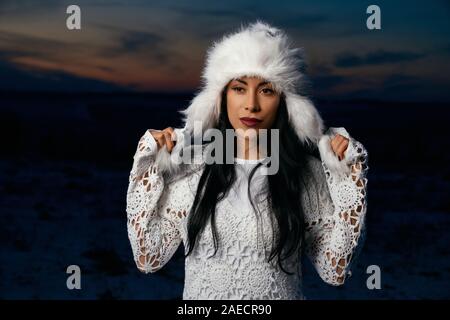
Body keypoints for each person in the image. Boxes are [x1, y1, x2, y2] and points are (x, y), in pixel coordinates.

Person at [126, 20, 369, 300]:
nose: (251, 104)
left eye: (266, 90)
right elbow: (149, 257)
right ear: (221, 96)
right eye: (239, 88)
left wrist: (348, 176)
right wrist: (148, 166)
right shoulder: (190, 170)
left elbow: (334, 271)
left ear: (285, 102)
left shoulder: (305, 174)